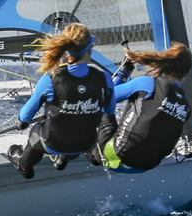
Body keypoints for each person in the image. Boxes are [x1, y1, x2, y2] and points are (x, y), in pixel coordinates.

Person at [8, 23, 115, 179]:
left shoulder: (51, 78)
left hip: (53, 144)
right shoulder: (105, 78)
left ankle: (25, 167)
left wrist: (22, 122)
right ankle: (64, 158)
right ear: (90, 50)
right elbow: (109, 113)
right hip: (85, 144)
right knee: (79, 131)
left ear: (66, 50)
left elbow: (25, 115)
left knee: (36, 131)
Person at [97, 43, 192, 171]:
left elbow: (106, 96)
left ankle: (84, 150)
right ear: (185, 74)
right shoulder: (186, 108)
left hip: (118, 157)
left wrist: (123, 73)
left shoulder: (147, 83)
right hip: (146, 166)